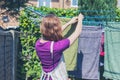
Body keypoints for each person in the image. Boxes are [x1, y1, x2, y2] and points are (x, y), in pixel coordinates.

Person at [35, 13, 84, 80]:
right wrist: (80, 19)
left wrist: (69, 23)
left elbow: (54, 33)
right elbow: (77, 32)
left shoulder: (38, 43)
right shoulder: (57, 47)